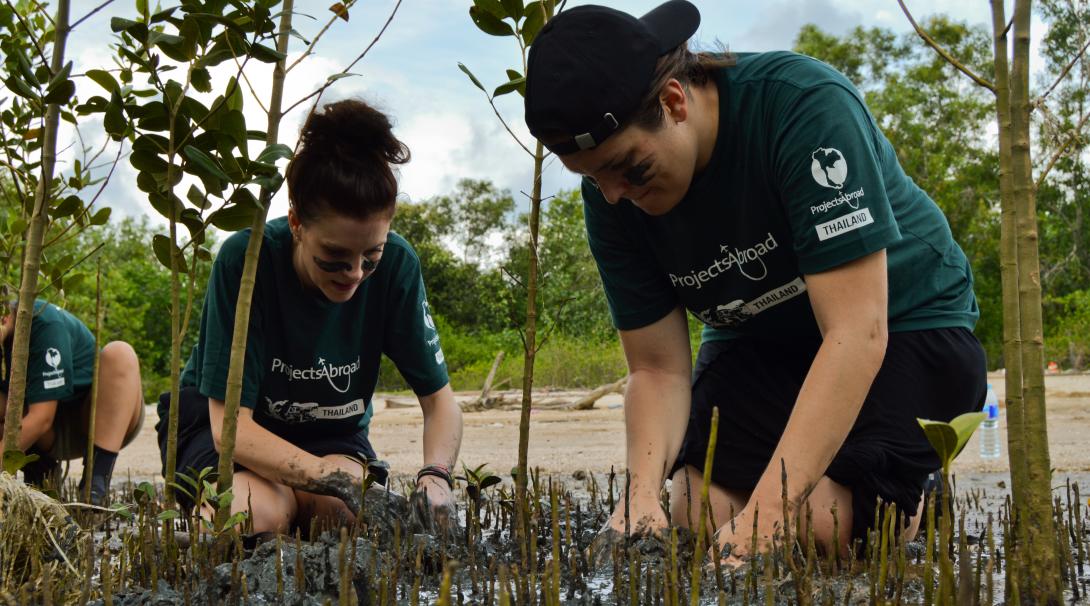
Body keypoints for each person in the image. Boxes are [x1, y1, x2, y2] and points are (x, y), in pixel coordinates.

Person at [523, 0, 986, 560]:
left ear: (674, 103)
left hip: (903, 324)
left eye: (631, 169)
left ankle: (915, 501)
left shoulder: (803, 107)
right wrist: (640, 497)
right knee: (696, 513)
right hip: (760, 340)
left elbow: (855, 334)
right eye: (596, 179)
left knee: (815, 526)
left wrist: (770, 511)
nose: (617, 194)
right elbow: (656, 367)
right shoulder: (611, 192)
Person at [156, 99, 462, 535]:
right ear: (297, 222)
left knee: (347, 513)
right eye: (334, 257)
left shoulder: (398, 266)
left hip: (328, 429)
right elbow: (231, 431)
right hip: (226, 429)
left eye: (370, 255)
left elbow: (441, 402)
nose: (354, 274)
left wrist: (436, 476)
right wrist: (333, 480)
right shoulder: (246, 258)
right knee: (263, 511)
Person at [1, 299, 145, 504]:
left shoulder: (46, 323)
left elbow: (42, 419)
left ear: (5, 317)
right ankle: (41, 474)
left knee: (120, 353)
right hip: (45, 433)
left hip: (99, 421)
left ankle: (96, 480)